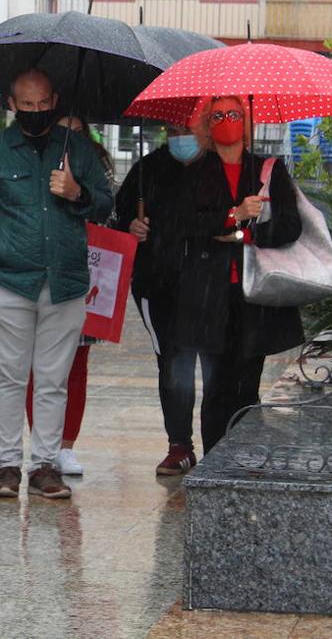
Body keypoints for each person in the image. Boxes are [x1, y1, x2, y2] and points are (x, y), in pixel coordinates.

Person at [0, 70, 112, 501]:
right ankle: (7, 466)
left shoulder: (79, 150)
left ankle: (45, 466)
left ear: (55, 100)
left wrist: (77, 191)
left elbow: (106, 204)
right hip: (8, 283)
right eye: (26, 104)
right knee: (9, 380)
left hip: (64, 284)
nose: (34, 111)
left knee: (53, 380)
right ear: (12, 103)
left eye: (42, 103)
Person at [172, 96, 303, 454]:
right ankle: (215, 458)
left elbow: (290, 225)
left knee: (247, 384)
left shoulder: (268, 170)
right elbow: (184, 224)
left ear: (246, 122)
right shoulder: (194, 172)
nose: (227, 121)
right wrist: (233, 215)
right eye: (218, 115)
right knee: (216, 385)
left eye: (234, 114)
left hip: (254, 295)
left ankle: (246, 455)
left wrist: (247, 234)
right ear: (207, 124)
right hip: (209, 297)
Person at [115, 120, 209, 475]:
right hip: (157, 284)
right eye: (171, 130)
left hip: (210, 285)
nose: (179, 138)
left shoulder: (220, 168)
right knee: (173, 364)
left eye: (187, 128)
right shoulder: (147, 169)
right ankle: (179, 445)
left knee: (217, 366)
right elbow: (120, 215)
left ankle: (220, 442)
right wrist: (131, 227)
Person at [24, 114, 116, 477]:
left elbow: (110, 213)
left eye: (76, 131)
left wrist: (79, 193)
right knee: (38, 367)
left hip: (83, 276)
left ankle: (66, 446)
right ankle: (42, 446)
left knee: (75, 366)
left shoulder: (99, 168)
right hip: (36, 277)